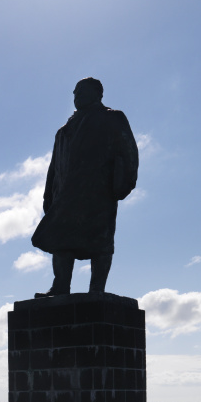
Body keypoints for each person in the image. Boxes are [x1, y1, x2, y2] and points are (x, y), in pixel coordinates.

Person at [31, 77, 138, 297]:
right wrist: (48, 196)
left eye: (81, 90)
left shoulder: (112, 118)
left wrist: (124, 183)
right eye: (75, 92)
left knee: (100, 241)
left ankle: (97, 289)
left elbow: (128, 152)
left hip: (98, 191)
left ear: (98, 93)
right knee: (61, 239)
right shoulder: (63, 131)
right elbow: (54, 167)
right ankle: (60, 286)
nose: (76, 95)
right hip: (66, 195)